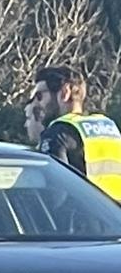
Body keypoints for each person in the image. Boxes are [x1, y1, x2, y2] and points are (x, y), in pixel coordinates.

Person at [31, 66, 121, 200]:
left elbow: (56, 195)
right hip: (113, 216)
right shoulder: (108, 126)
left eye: (40, 95)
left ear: (64, 92)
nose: (37, 103)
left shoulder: (58, 132)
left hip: (84, 216)